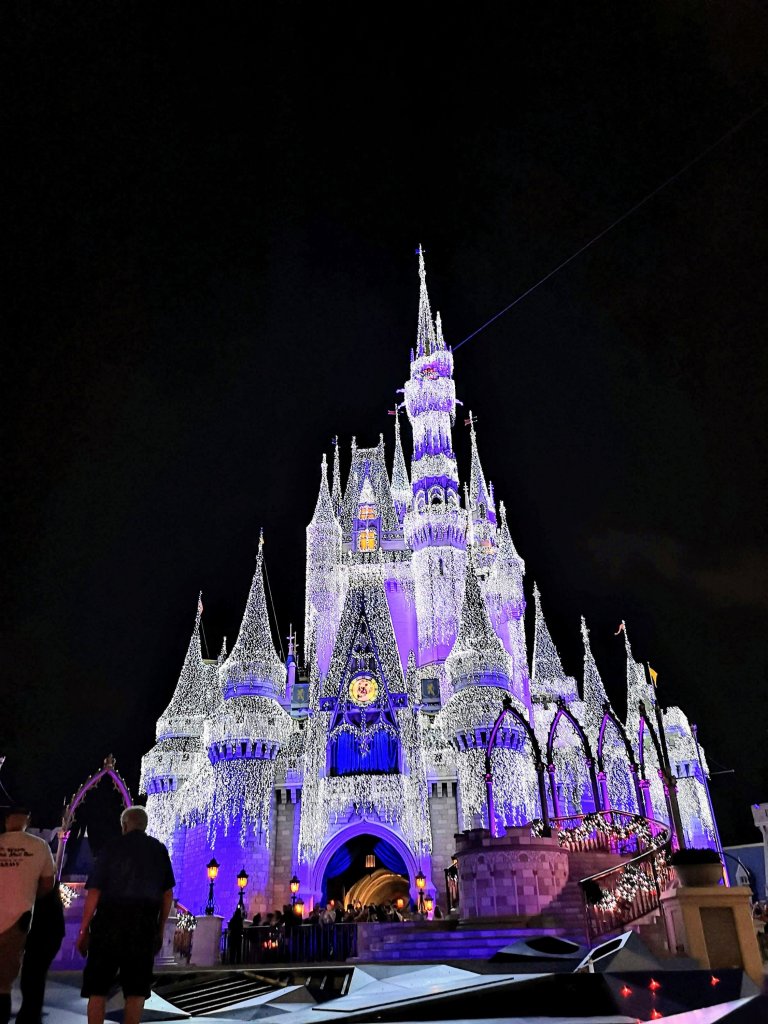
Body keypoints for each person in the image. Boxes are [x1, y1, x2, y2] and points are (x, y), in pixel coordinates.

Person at [76, 805, 174, 1024]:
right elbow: (167, 894)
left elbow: (94, 891)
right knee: (136, 990)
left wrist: (84, 930)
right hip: (143, 927)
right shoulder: (158, 850)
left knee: (97, 988)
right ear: (145, 825)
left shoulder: (111, 847)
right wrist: (159, 929)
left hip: (108, 925)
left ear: (125, 825)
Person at [0, 806, 56, 1024]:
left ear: (7, 821)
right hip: (18, 920)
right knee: (4, 983)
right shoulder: (39, 847)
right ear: (28, 821)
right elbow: (47, 884)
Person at [16, 880, 66, 1024]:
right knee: (33, 978)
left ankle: (29, 1018)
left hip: (42, 927)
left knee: (31, 978)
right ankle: (30, 1017)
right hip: (46, 927)